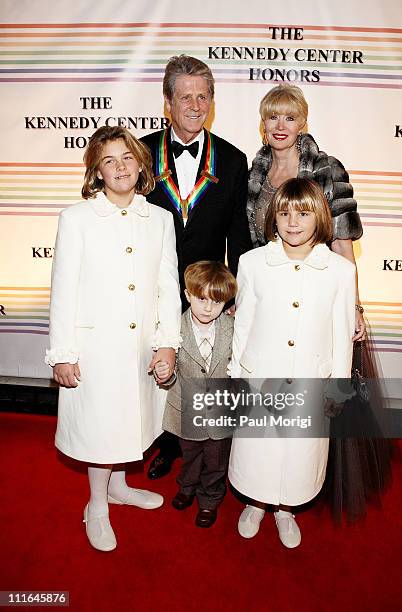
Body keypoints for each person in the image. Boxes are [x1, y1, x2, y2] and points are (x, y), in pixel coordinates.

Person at [45, 126, 181, 552]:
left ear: (141, 163)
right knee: (102, 428)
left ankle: (119, 487)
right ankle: (97, 504)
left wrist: (168, 343)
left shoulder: (159, 218)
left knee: (129, 424)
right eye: (109, 160)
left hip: (140, 346)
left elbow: (167, 286)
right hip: (95, 349)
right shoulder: (77, 218)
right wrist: (62, 353)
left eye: (127, 157)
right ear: (96, 172)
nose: (120, 167)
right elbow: (63, 289)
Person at [228, 178, 356, 548]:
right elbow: (245, 323)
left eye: (302, 213)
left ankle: (287, 510)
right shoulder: (252, 263)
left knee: (300, 452)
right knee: (259, 449)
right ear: (273, 217)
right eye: (284, 213)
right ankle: (255, 502)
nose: (293, 222)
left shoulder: (340, 271)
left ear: (319, 217)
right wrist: (237, 375)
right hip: (260, 376)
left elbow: (341, 334)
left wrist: (338, 386)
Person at [141, 54, 252, 479]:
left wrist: (236, 294)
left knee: (200, 370)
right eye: (185, 97)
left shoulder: (233, 159)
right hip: (151, 285)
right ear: (168, 101)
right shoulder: (141, 151)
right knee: (159, 367)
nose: (194, 106)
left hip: (206, 293)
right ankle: (162, 441)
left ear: (212, 101)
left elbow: (239, 236)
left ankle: (202, 459)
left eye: (203, 96)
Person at [246, 84, 365, 340]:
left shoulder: (326, 171)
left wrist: (353, 306)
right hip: (268, 297)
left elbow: (343, 248)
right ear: (263, 124)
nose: (280, 127)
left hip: (316, 294)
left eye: (290, 118)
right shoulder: (253, 177)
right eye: (273, 117)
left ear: (302, 124)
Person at [156, 261, 237, 528]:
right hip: (187, 409)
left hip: (222, 410)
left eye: (216, 301)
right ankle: (186, 486)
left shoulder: (234, 328)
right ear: (187, 295)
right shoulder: (172, 329)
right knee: (189, 455)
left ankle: (210, 498)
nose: (208, 307)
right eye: (201, 299)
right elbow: (170, 371)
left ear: (226, 302)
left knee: (216, 460)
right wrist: (165, 373)